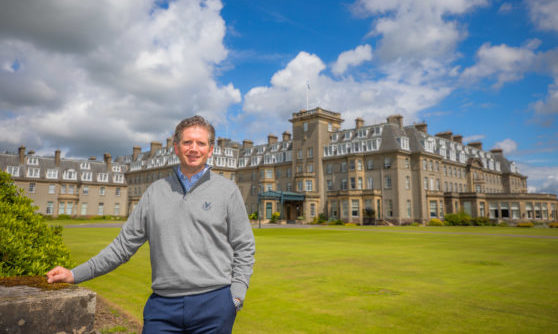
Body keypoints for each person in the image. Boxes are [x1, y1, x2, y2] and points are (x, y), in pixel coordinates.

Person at [47, 115, 256, 334]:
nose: (193, 148)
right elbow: (122, 248)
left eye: (201, 143)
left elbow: (244, 246)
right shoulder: (155, 192)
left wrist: (236, 296)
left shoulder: (227, 191)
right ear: (176, 147)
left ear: (210, 149)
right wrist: (74, 274)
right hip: (163, 308)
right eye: (187, 142)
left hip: (214, 304)